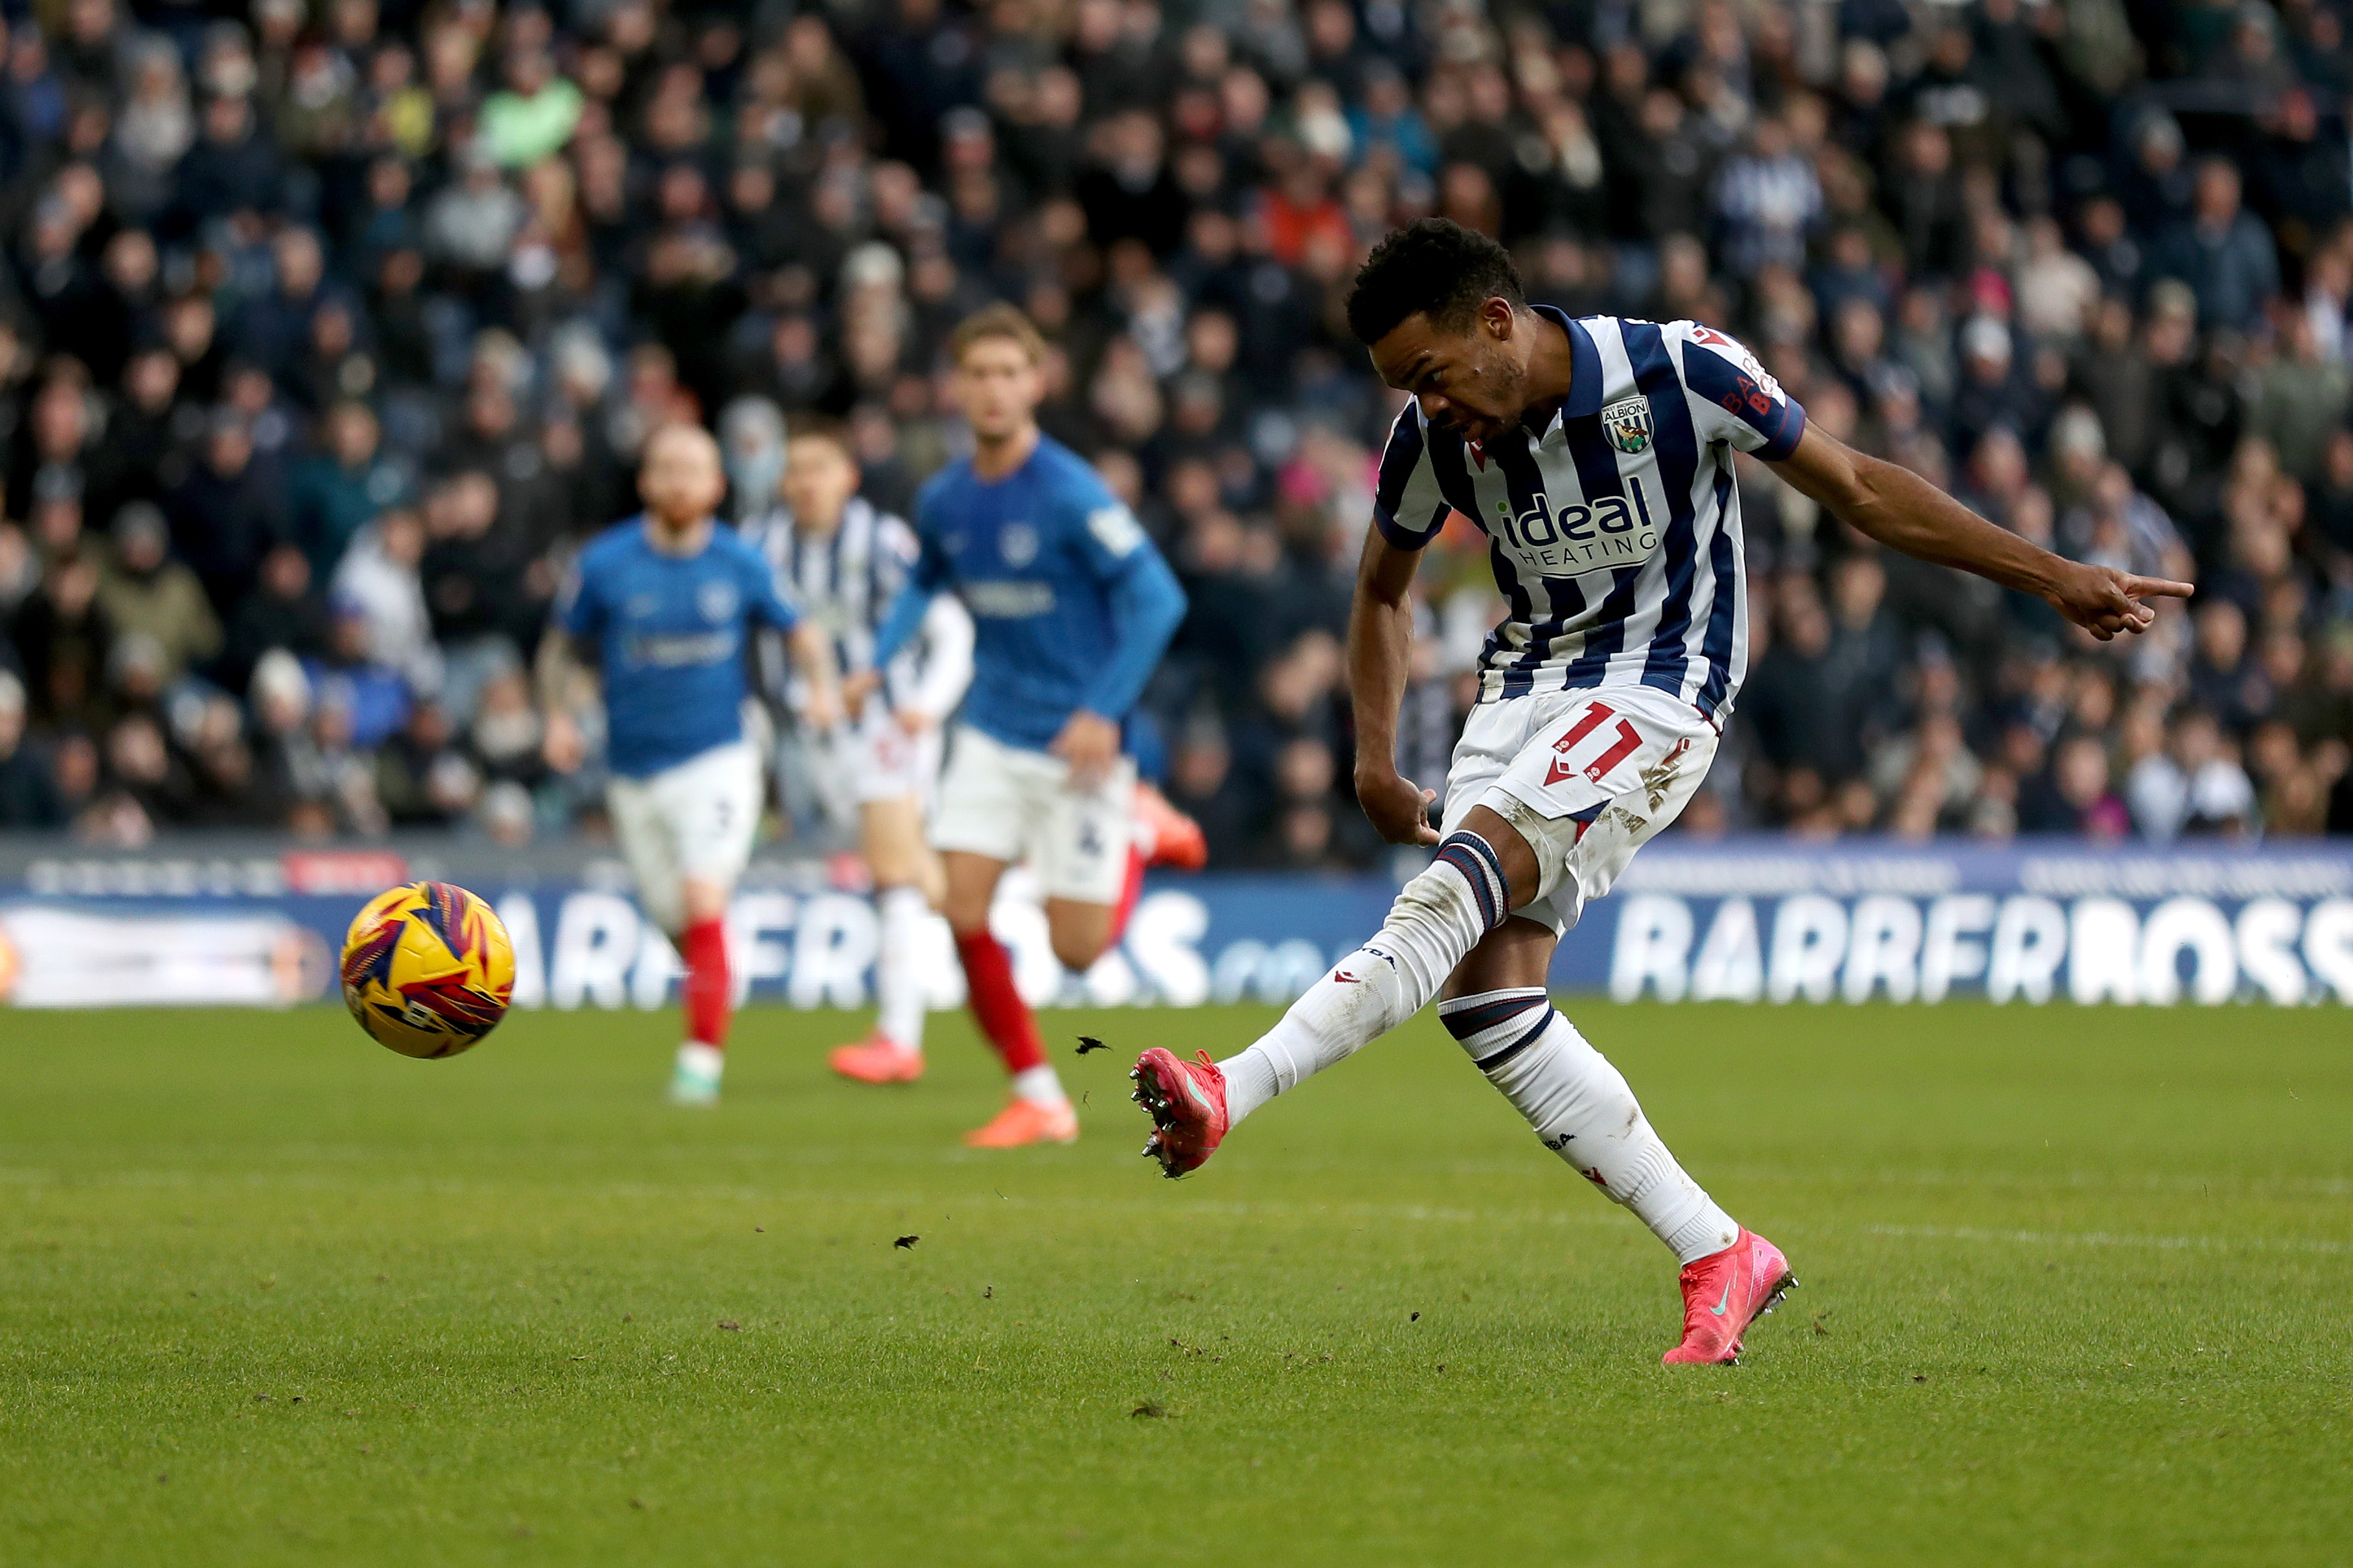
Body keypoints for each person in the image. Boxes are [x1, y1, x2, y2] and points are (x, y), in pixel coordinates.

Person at [1127, 219, 2193, 1366]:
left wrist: (2051, 577)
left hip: (1659, 687)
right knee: (1489, 1003)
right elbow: (1380, 590)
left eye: (1429, 377)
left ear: (1495, 324)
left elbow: (1861, 489)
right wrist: (1372, 758)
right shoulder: (1430, 440)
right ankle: (1718, 1250)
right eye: (1403, 389)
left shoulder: (1681, 370)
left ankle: (1228, 1086)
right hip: (1519, 690)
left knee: (1457, 888)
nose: (1426, 408)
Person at [867, 304, 1188, 1148]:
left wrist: (1101, 710)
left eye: (1011, 373)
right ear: (957, 387)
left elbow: (1159, 599)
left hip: (1076, 745)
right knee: (961, 907)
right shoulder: (944, 498)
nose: (994, 389)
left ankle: (1140, 834)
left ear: (1037, 383)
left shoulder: (1071, 491)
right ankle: (1038, 1094)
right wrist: (878, 655)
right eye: (979, 374)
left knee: (1079, 951)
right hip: (992, 732)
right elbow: (924, 580)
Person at [540, 422, 839, 1106]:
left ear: (716, 485)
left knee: (704, 898)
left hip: (719, 758)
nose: (677, 482)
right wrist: (557, 715)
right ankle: (711, 998)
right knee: (679, 920)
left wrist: (820, 690)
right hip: (631, 770)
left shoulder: (741, 563)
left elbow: (802, 633)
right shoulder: (606, 562)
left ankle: (698, 1067)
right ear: (645, 481)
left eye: (691, 470)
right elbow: (561, 648)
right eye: (664, 468)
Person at [742, 421, 976, 1084]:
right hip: (806, 737)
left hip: (885, 727)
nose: (804, 483)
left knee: (893, 874)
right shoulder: (763, 545)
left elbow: (951, 627)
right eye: (795, 470)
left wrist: (926, 705)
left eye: (819, 468)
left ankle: (898, 1038)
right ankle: (983, 932)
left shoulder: (883, 541)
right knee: (913, 878)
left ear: (848, 475)